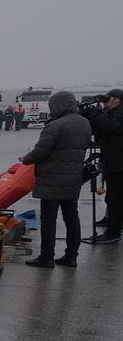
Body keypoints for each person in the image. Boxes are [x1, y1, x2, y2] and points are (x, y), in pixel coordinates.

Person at [21, 91, 92, 267]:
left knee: (48, 220)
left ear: (58, 106)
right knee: (72, 218)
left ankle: (46, 257)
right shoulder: (84, 123)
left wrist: (26, 159)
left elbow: (41, 151)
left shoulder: (56, 125)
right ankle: (71, 256)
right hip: (73, 179)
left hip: (51, 179)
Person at [88, 89, 123, 243]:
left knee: (115, 199)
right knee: (114, 197)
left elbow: (111, 126)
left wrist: (96, 115)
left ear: (116, 100)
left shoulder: (119, 114)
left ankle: (113, 232)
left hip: (118, 164)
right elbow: (100, 132)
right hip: (113, 162)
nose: (105, 102)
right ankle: (112, 222)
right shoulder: (111, 113)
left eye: (107, 99)